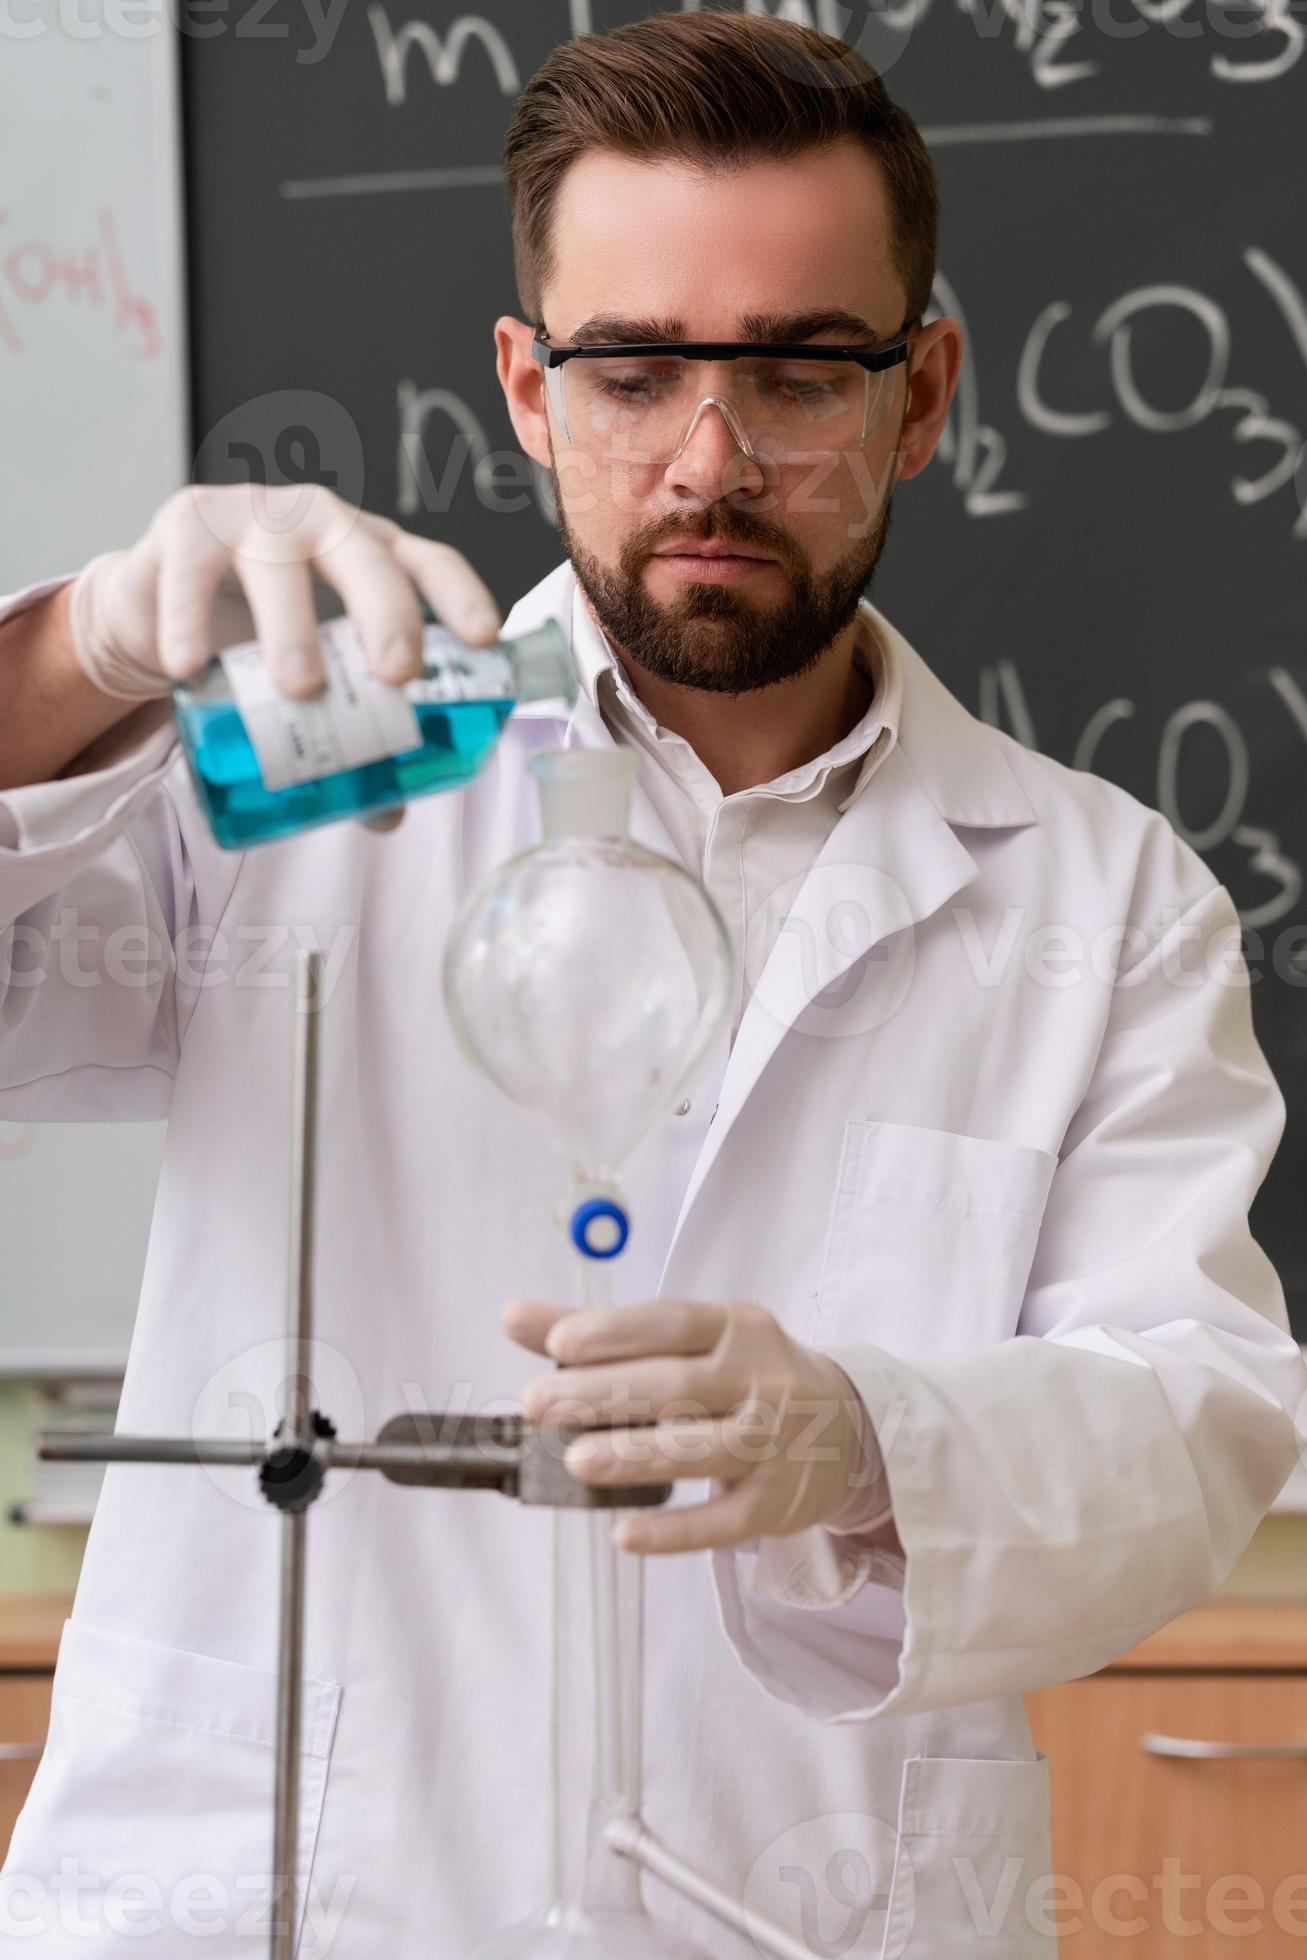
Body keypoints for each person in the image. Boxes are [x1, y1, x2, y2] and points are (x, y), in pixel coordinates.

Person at [1, 12, 1302, 1956]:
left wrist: (873, 1434)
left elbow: (1196, 1415)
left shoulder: (1106, 898)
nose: (709, 458)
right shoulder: (285, 771)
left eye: (796, 370)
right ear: (529, 387)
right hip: (286, 1898)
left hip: (801, 1903)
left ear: (920, 393)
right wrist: (78, 653)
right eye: (632, 369)